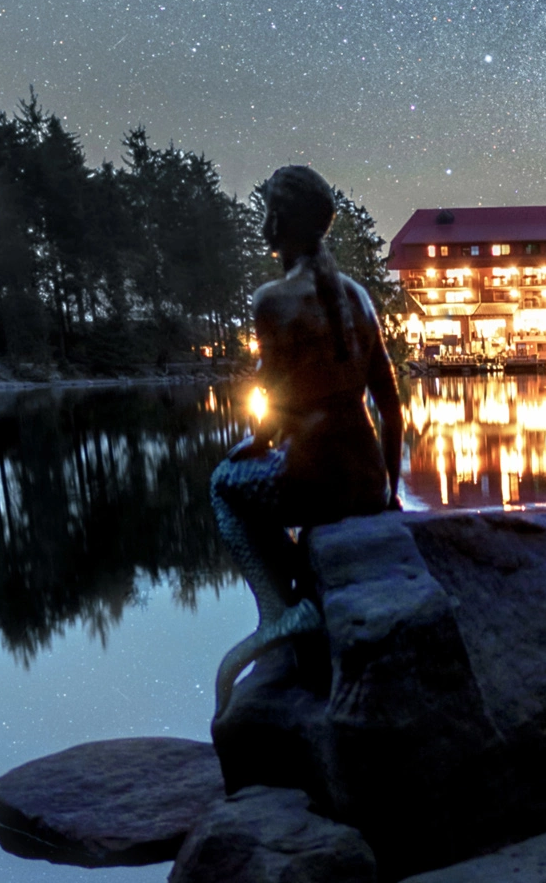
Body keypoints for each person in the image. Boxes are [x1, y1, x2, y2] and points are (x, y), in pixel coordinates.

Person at [210, 165, 402, 717]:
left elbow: (273, 409)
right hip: (364, 483)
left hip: (314, 480)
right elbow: (389, 406)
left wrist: (257, 440)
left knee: (226, 483)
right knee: (253, 477)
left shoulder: (272, 300)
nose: (264, 223)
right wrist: (387, 493)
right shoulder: (360, 298)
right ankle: (307, 597)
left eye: (269, 211)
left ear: (278, 223)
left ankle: (281, 610)